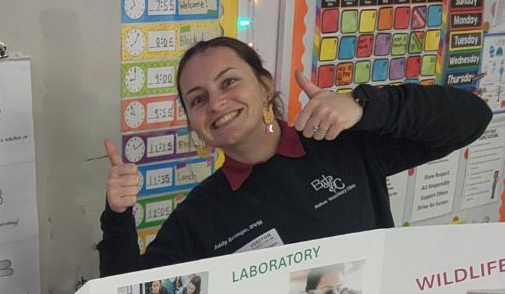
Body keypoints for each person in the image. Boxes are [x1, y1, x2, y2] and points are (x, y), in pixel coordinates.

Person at [99, 37, 493, 275]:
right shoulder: (201, 214)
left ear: (266, 86)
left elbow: (471, 119)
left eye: (229, 81)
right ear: (194, 122)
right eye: (198, 99)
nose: (217, 103)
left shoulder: (343, 145)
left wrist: (365, 107)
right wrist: (117, 217)